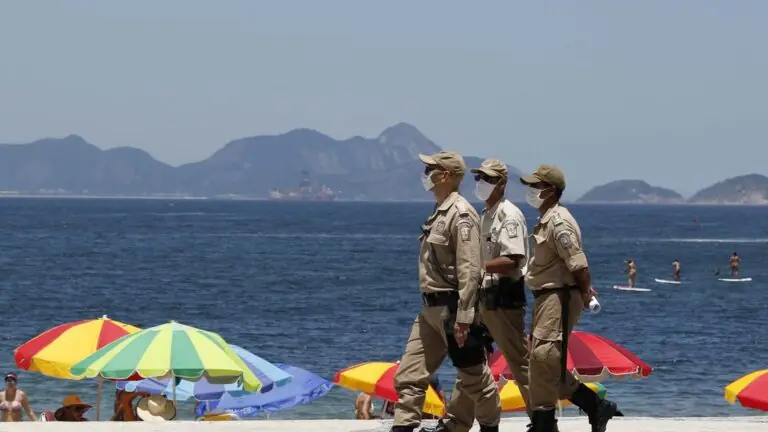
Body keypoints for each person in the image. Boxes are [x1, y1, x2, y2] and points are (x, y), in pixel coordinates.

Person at [390, 151, 500, 432]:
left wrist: (465, 317)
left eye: (432, 169)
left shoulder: (461, 215)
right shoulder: (440, 211)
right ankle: (403, 426)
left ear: (447, 176)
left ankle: (490, 425)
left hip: (452, 309)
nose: (426, 174)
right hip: (429, 309)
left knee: (473, 377)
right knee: (410, 375)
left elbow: (470, 269)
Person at [425, 159, 533, 432]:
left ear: (502, 183)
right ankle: (456, 423)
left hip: (504, 298)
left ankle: (542, 419)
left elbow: (513, 259)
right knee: (471, 359)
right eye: (478, 178)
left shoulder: (509, 216)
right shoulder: (484, 215)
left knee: (520, 365)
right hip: (482, 297)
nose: (480, 183)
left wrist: (476, 266)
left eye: (487, 179)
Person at [520, 165, 621, 432]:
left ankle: (546, 424)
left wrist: (587, 292)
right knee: (544, 362)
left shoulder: (559, 222)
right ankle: (594, 406)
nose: (530, 191)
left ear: (551, 190)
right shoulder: (547, 219)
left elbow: (578, 263)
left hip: (559, 297)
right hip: (546, 298)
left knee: (544, 358)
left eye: (536, 186)